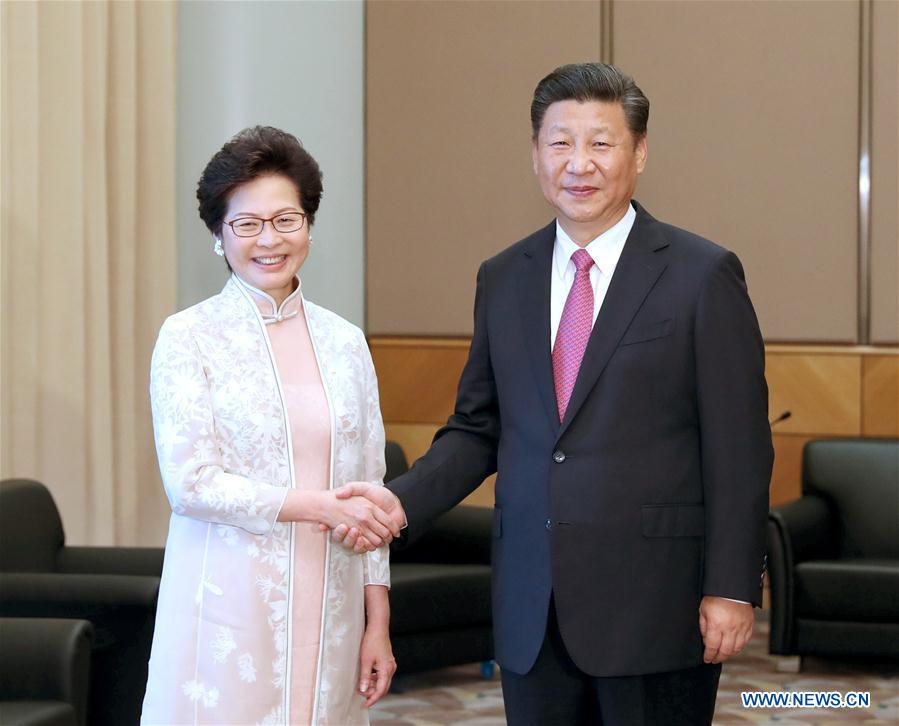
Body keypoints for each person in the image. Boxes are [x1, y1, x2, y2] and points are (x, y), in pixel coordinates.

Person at [334, 63, 773, 725]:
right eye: (559, 143)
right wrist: (398, 501)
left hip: (655, 605)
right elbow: (477, 429)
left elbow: (738, 450)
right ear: (535, 153)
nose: (579, 163)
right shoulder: (504, 276)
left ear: (640, 152)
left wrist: (731, 587)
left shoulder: (700, 275)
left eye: (600, 143)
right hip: (531, 608)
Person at [142, 126, 398, 725]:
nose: (269, 241)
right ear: (218, 234)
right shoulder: (189, 338)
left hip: (333, 609)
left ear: (308, 224)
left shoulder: (345, 342)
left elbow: (371, 492)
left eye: (286, 220)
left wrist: (376, 623)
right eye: (247, 224)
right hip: (228, 611)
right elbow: (191, 484)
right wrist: (322, 507)